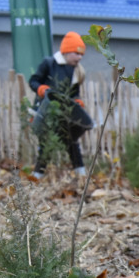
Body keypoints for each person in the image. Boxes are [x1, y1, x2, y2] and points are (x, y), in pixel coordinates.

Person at [29, 31, 93, 178]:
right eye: (77, 54)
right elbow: (33, 81)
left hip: (64, 114)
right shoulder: (49, 63)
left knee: (72, 142)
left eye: (81, 55)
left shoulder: (76, 71)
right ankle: (37, 176)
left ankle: (81, 175)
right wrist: (41, 89)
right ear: (67, 51)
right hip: (46, 111)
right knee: (47, 144)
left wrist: (77, 101)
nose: (80, 57)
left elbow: (74, 93)